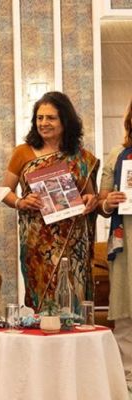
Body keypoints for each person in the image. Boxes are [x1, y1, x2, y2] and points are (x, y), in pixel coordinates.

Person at [2, 91, 99, 312]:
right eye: (39, 118)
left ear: (65, 120)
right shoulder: (23, 153)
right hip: (37, 242)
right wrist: (20, 202)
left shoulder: (82, 157)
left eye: (50, 118)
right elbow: (4, 191)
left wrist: (90, 200)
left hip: (73, 241)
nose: (43, 123)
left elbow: (90, 195)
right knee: (42, 299)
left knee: (73, 299)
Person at [98, 97, 132, 394]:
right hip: (126, 243)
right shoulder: (117, 155)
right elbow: (102, 203)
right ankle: (128, 378)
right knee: (125, 312)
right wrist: (109, 202)